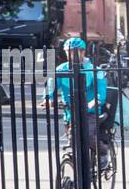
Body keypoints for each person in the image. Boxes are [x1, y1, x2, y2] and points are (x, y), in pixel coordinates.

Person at [44, 36, 110, 165]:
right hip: (71, 112)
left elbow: (101, 92)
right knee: (73, 140)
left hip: (90, 111)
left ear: (83, 52)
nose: (73, 54)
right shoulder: (61, 70)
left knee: (89, 137)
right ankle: (81, 173)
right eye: (70, 51)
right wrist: (48, 98)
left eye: (77, 51)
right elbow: (51, 85)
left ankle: (102, 151)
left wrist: (95, 101)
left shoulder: (93, 70)